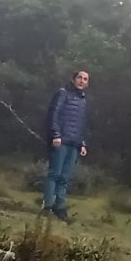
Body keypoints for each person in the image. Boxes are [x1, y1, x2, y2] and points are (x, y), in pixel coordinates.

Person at [41, 70, 90, 223]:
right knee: (55, 174)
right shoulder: (62, 94)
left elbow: (81, 124)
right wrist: (55, 134)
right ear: (73, 79)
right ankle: (47, 206)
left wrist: (82, 143)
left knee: (65, 177)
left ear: (87, 83)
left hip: (74, 144)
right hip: (60, 141)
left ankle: (60, 207)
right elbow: (53, 114)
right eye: (79, 78)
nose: (82, 81)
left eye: (85, 79)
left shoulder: (83, 100)